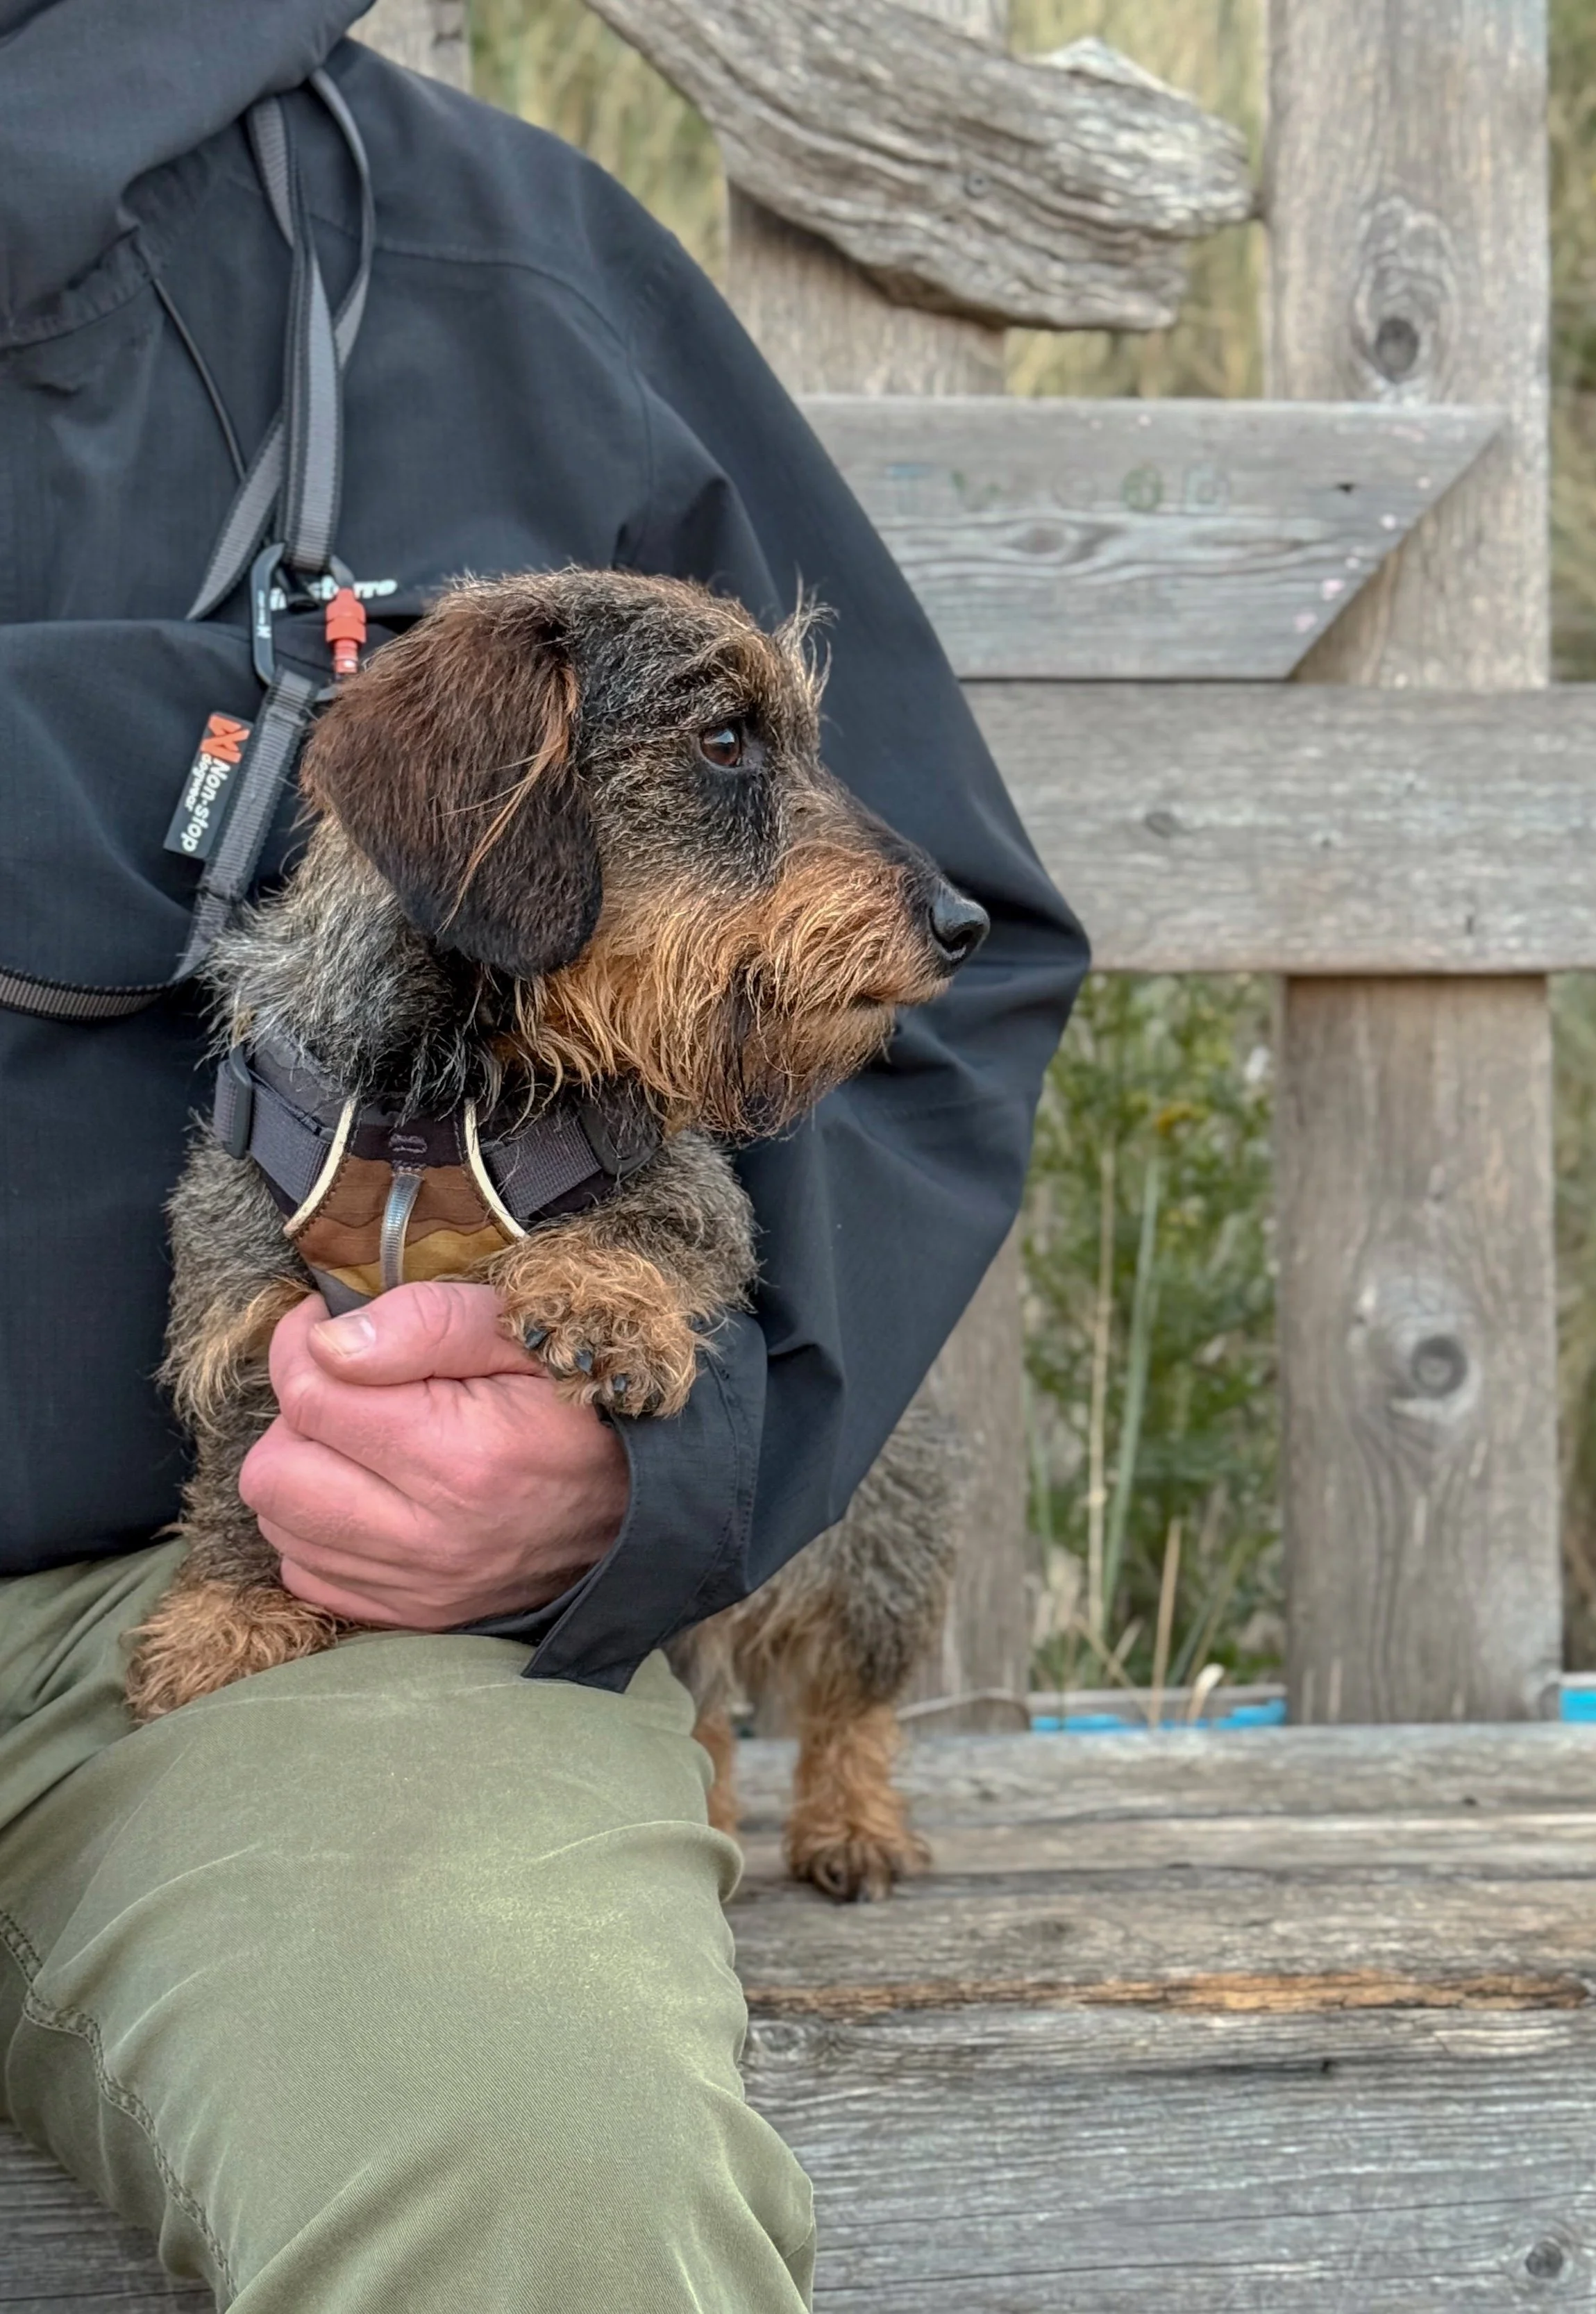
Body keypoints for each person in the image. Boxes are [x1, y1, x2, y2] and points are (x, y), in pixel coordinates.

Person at [0, 3, 1086, 2306]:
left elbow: (921, 958)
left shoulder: (492, 273)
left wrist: (638, 1471)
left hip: (292, 1644)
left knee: (545, 2185)